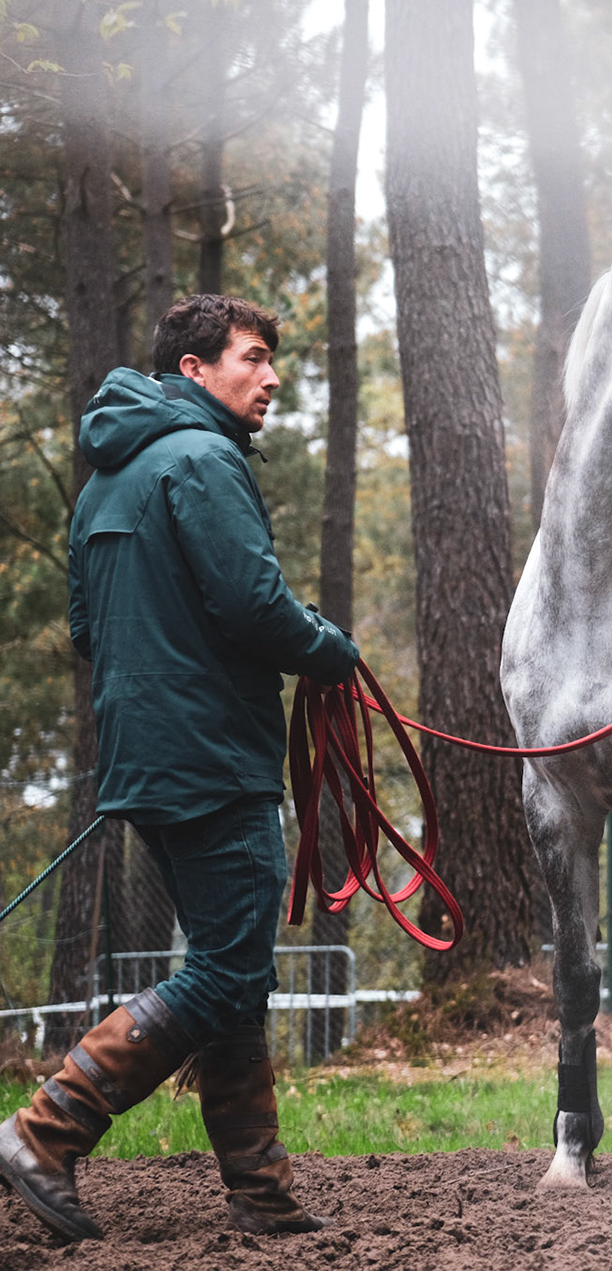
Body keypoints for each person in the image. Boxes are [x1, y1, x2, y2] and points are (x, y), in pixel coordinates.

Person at [0, 294, 359, 1241]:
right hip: (214, 760)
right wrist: (332, 651)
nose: (271, 376)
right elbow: (253, 604)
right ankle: (44, 1131)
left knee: (227, 970)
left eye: (271, 360)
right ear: (194, 370)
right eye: (252, 357)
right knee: (226, 969)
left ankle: (262, 1193)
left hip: (144, 762)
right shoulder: (203, 459)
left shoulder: (104, 482)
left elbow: (87, 633)